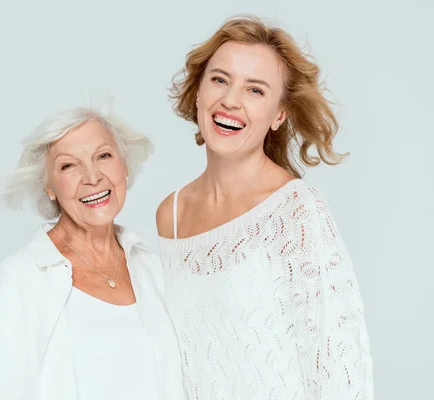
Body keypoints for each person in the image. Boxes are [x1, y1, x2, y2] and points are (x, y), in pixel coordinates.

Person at [157, 15, 374, 399]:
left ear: (279, 115)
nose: (230, 100)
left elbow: (342, 372)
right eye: (220, 79)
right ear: (199, 91)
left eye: (255, 90)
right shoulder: (171, 214)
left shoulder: (297, 212)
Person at [0, 105, 184, 400]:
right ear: (49, 187)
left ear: (124, 164)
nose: (92, 177)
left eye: (103, 156)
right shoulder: (17, 283)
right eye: (69, 165)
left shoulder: (156, 270)